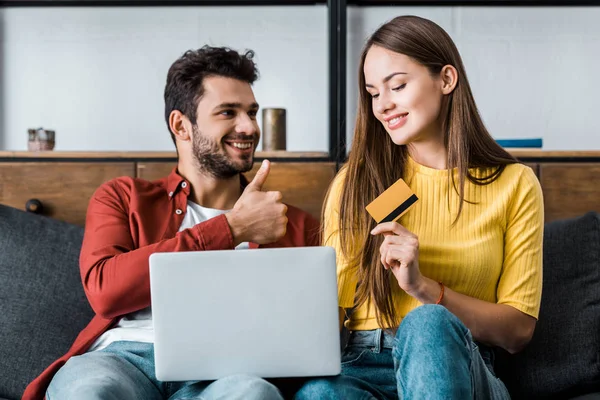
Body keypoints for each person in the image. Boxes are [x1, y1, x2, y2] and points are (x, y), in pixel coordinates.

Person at [23, 46, 320, 400]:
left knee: (253, 393)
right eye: (228, 112)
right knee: (91, 391)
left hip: (225, 374)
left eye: (251, 112)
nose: (248, 127)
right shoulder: (123, 197)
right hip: (122, 359)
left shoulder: (294, 224)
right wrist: (232, 229)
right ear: (181, 125)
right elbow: (106, 292)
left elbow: (309, 338)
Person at [295, 15, 543, 400]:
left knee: (427, 323)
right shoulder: (356, 183)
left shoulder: (514, 184)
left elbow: (517, 332)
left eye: (397, 86)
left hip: (458, 363)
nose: (383, 105)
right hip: (362, 363)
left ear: (445, 79)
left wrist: (422, 288)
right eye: (373, 93)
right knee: (319, 392)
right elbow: (331, 316)